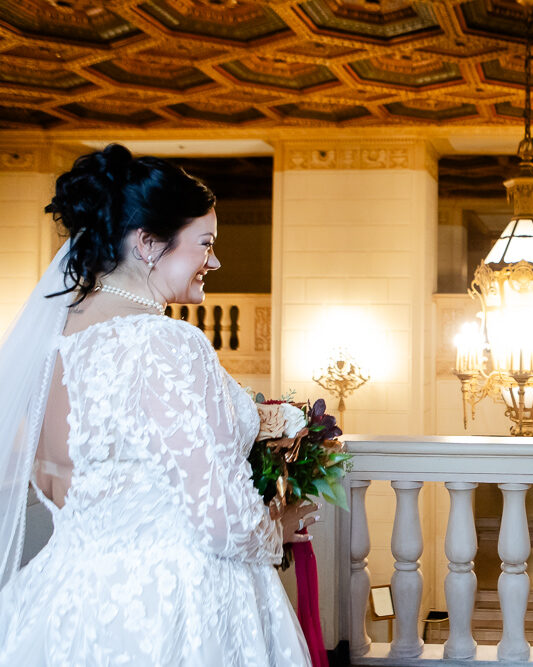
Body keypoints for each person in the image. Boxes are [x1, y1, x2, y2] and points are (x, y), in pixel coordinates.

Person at [0, 144, 317, 665]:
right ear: (148, 244)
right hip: (175, 602)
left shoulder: (53, 346)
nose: (214, 261)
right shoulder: (162, 342)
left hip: (67, 598)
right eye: (204, 244)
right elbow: (223, 521)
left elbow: (55, 480)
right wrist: (279, 527)